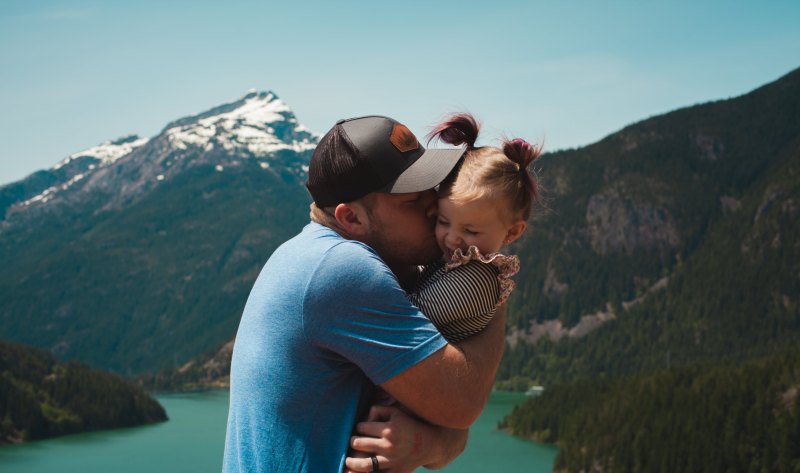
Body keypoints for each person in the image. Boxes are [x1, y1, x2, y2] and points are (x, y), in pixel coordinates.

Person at [222, 115, 507, 473]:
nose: (435, 207)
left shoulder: (308, 253)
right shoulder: (342, 270)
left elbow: (450, 424)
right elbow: (462, 402)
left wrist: (426, 443)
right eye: (412, 200)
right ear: (351, 218)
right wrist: (490, 275)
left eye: (432, 189)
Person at [343, 113, 543, 472]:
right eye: (443, 221)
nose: (451, 238)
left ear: (512, 233)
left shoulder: (474, 279)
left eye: (470, 230)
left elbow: (404, 313)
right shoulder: (460, 261)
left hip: (398, 409)